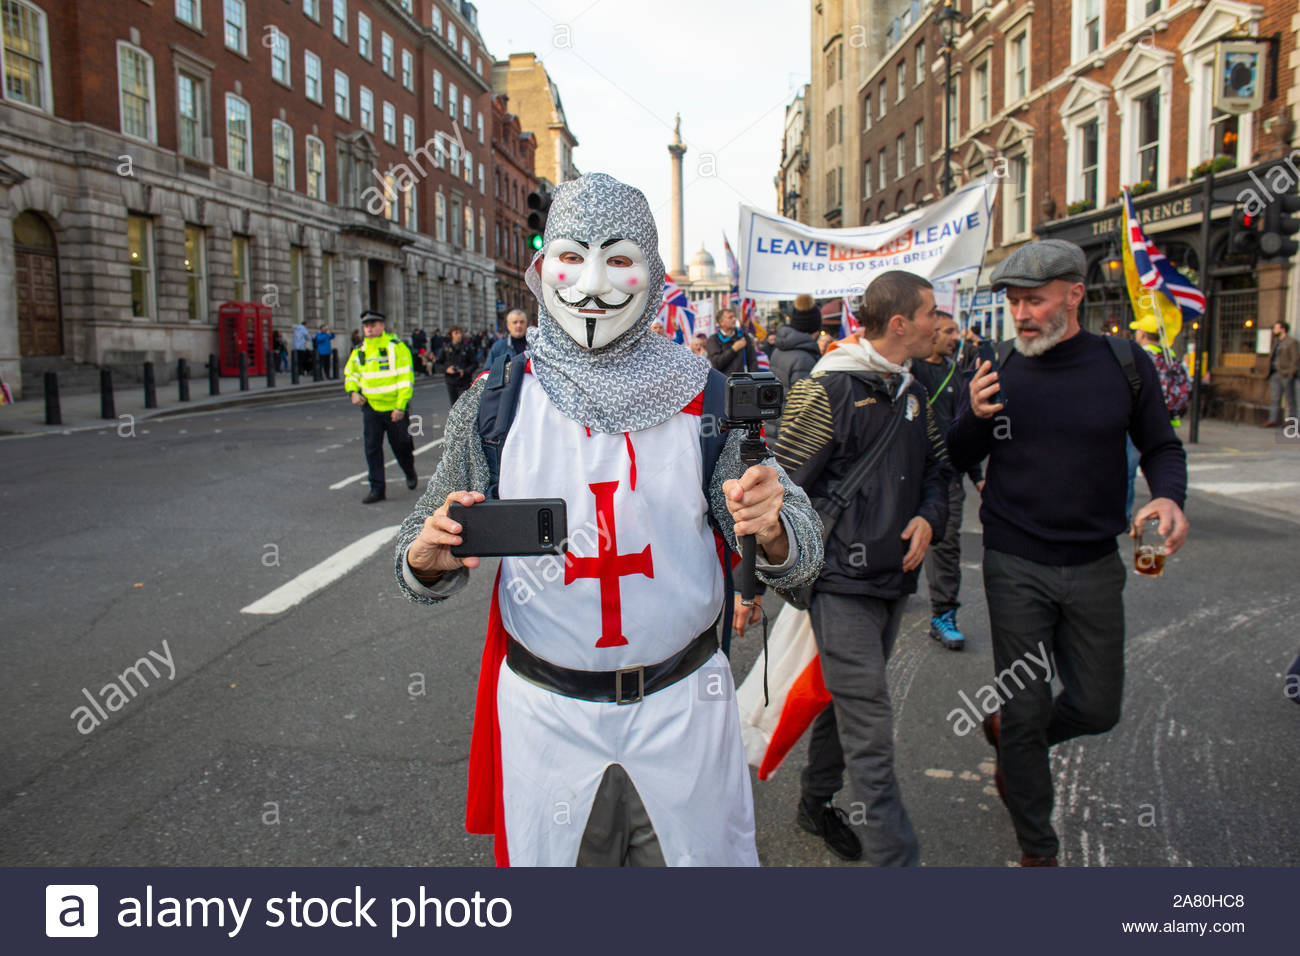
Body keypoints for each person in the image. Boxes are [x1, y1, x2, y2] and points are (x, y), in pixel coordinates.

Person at [394, 173, 823, 867]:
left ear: (651, 276)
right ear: (541, 270)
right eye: (572, 257)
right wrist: (427, 554)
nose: (592, 285)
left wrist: (772, 526)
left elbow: (799, 554)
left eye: (618, 260)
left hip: (683, 711)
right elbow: (417, 548)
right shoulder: (496, 403)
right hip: (547, 718)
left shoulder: (707, 396)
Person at [947, 239, 1190, 867]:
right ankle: (1039, 851)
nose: (1021, 314)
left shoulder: (1123, 364)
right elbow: (953, 453)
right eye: (1014, 302)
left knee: (1097, 706)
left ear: (1074, 295)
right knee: (1026, 709)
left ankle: (1009, 736)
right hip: (1015, 563)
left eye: (1035, 301)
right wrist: (973, 417)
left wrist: (1168, 498)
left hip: (1094, 564)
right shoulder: (996, 365)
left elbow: (1163, 446)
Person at [775, 270, 950, 866]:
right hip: (839, 583)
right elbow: (778, 489)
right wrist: (752, 585)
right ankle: (895, 859)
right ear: (899, 323)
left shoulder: (914, 389)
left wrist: (929, 517)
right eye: (931, 313)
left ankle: (814, 802)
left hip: (894, 580)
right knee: (870, 720)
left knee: (843, 699)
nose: (939, 323)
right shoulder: (826, 389)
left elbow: (938, 471)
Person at [913, 310, 984, 651]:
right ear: (930, 333)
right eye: (948, 331)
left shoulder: (958, 373)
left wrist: (978, 475)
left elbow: (966, 426)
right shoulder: (908, 370)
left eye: (956, 331)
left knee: (946, 546)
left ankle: (944, 614)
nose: (955, 337)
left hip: (947, 476)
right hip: (907, 474)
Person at [344, 311, 418, 504]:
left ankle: (409, 470)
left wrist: (400, 407)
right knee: (372, 449)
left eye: (373, 324)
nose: (369, 328)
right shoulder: (360, 350)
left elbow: (405, 379)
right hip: (371, 407)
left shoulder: (396, 347)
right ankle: (377, 489)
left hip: (395, 407)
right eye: (366, 325)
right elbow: (351, 373)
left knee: (401, 445)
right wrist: (352, 391)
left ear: (382, 326)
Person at [1124, 318, 1192, 518]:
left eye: (1138, 331)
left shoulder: (1136, 358)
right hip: (1168, 417)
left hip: (1136, 418)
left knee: (1127, 470)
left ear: (1143, 334)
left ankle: (1124, 514)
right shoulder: (1170, 357)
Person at [767, 295, 823, 444]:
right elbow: (805, 408)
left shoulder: (779, 350)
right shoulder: (804, 358)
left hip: (775, 429)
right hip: (793, 438)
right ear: (815, 328)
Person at [1263, 320, 1298, 427]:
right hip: (1274, 373)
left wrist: (1291, 372)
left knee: (1290, 398)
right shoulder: (1276, 342)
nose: (1274, 330)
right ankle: (1273, 420)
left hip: (1286, 374)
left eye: (1276, 328)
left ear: (1282, 329)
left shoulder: (1291, 342)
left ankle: (1291, 420)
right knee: (1275, 398)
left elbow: (1295, 358)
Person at [705, 308, 756, 375]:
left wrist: (753, 381)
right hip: (724, 382)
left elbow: (752, 362)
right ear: (721, 322)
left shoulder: (743, 337)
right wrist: (733, 349)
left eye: (734, 317)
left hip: (742, 382)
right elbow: (716, 364)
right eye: (730, 317)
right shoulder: (713, 340)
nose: (734, 319)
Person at [441, 325, 478, 406]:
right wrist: (446, 369)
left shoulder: (467, 348)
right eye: (456, 333)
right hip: (451, 381)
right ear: (451, 335)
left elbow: (475, 363)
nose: (459, 335)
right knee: (454, 406)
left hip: (465, 381)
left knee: (465, 406)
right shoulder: (446, 348)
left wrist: (465, 371)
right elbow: (438, 363)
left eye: (460, 333)